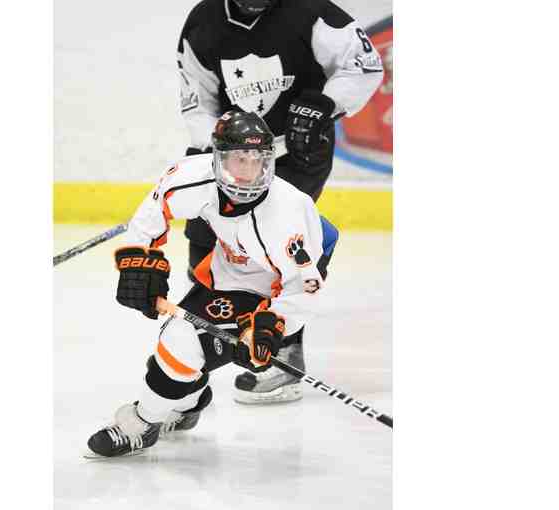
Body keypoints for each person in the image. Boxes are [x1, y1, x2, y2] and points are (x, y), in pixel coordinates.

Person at [177, 0, 384, 403]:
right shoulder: (203, 22)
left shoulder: (307, 10)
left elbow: (363, 63)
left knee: (280, 250)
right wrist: (206, 145)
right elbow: (198, 98)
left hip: (299, 152)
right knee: (203, 249)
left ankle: (283, 356)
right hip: (234, 156)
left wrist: (325, 103)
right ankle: (191, 364)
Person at [87, 111, 328, 457]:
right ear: (217, 159)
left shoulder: (289, 212)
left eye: (257, 160)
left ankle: (142, 423)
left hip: (270, 291)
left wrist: (271, 326)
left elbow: (304, 286)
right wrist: (140, 262)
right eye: (238, 159)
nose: (248, 172)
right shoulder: (194, 176)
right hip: (225, 275)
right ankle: (188, 403)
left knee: (180, 340)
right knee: (175, 347)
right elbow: (155, 207)